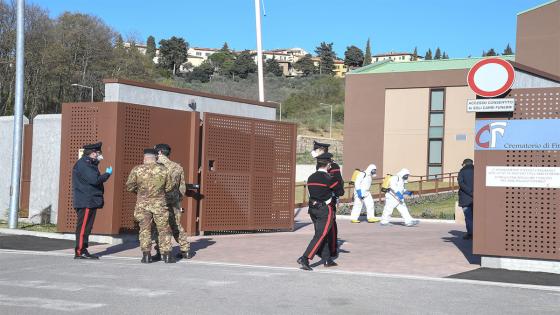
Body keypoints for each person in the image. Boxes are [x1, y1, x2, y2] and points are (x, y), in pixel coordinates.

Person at [297, 152, 345, 271]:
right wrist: (337, 176)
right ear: (328, 164)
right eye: (330, 164)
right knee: (321, 235)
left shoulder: (311, 177)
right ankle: (305, 258)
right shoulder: (329, 178)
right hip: (325, 210)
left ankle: (327, 259)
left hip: (313, 209)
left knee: (322, 234)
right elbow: (340, 192)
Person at [126, 148, 175, 263]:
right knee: (163, 229)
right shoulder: (164, 170)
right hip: (160, 204)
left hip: (142, 204)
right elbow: (169, 187)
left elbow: (129, 187)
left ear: (145, 158)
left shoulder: (137, 170)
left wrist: (141, 193)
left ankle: (146, 255)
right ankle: (167, 255)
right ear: (156, 158)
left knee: (144, 229)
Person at [72, 142, 112, 259]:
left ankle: (83, 250)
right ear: (93, 153)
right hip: (86, 200)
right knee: (83, 227)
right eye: (98, 153)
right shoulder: (84, 164)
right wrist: (107, 174)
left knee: (87, 227)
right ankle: (80, 251)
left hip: (89, 200)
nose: (100, 155)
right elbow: (95, 180)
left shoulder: (89, 164)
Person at [152, 143, 190, 261]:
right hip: (174, 201)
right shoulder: (177, 167)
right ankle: (185, 250)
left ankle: (160, 251)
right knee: (176, 225)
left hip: (159, 201)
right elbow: (182, 187)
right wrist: (177, 200)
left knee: (159, 226)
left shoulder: (155, 166)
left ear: (159, 153)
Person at [310, 141, 344, 258]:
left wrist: (336, 196)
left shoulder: (333, 165)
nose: (313, 152)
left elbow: (338, 182)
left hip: (329, 198)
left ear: (322, 150)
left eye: (316, 150)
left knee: (331, 225)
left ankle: (332, 249)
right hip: (320, 199)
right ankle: (323, 250)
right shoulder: (320, 163)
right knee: (320, 227)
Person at [458, 158, 474, 240]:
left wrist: (470, 192)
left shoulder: (462, 171)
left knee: (468, 217)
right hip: (477, 197)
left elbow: (461, 184)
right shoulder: (478, 170)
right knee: (476, 216)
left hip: (465, 198)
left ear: (464, 164)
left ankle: (470, 234)